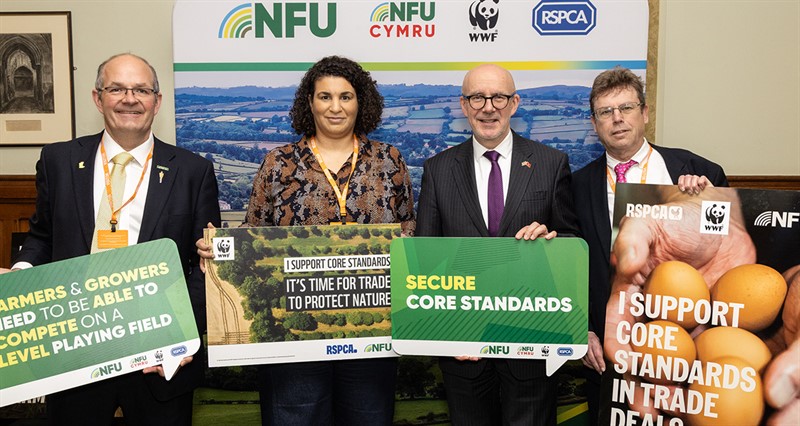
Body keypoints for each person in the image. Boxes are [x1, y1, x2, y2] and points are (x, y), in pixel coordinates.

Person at [6, 53, 221, 425]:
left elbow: (204, 265)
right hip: (75, 349)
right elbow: (42, 236)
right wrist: (19, 278)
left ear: (157, 100)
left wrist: (181, 333)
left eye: (141, 90)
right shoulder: (58, 160)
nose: (129, 99)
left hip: (157, 353)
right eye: (117, 89)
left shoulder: (193, 170)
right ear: (98, 97)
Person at [199, 55, 414, 425]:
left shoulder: (388, 160)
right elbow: (252, 234)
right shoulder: (278, 163)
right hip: (292, 336)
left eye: (345, 97)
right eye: (325, 96)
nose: (335, 107)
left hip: (373, 333)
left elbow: (408, 229)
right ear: (309, 103)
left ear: (361, 102)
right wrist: (218, 251)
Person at [415, 63, 579, 425]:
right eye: (477, 97)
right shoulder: (437, 169)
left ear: (514, 103)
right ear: (463, 105)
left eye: (499, 98)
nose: (488, 108)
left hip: (532, 342)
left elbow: (571, 243)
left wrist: (552, 241)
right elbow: (426, 259)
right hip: (463, 347)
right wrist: (447, 334)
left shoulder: (551, 164)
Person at [572, 66, 727, 423]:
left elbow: (725, 246)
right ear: (594, 123)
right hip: (608, 353)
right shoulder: (576, 186)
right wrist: (584, 331)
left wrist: (707, 203)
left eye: (626, 108)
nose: (617, 119)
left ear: (644, 113)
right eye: (605, 112)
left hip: (687, 340)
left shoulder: (699, 172)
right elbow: (571, 266)